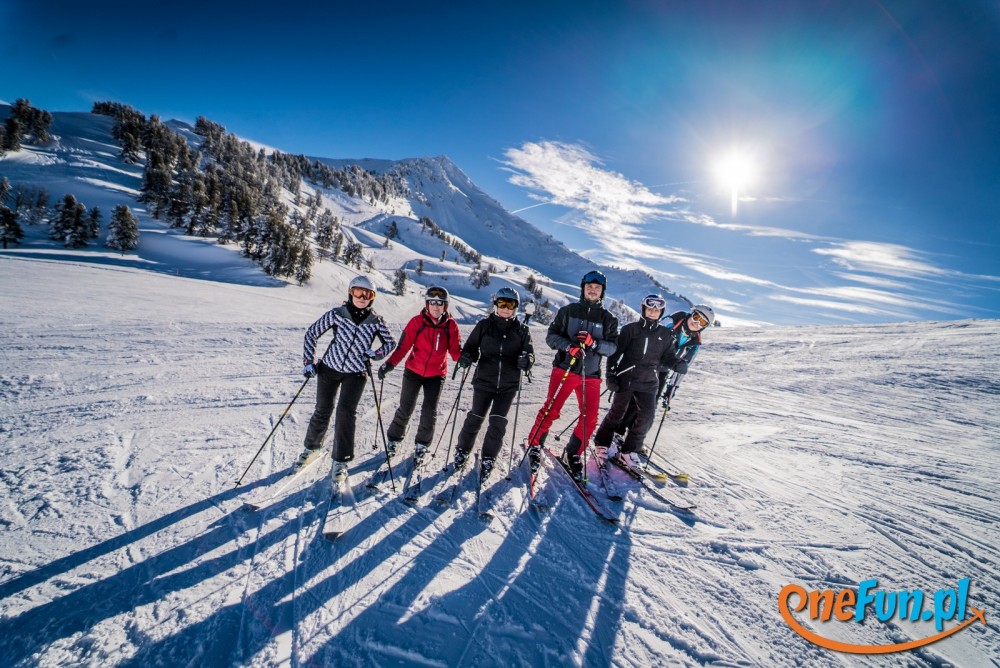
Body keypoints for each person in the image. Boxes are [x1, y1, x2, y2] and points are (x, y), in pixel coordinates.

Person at [296, 275, 396, 478]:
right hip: (329, 369)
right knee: (322, 410)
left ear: (372, 297)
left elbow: (390, 343)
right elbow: (312, 333)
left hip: (355, 373)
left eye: (367, 294)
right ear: (350, 293)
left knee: (346, 415)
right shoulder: (337, 314)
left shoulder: (376, 321)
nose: (361, 297)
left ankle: (341, 462)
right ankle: (311, 449)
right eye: (357, 292)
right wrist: (308, 362)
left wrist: (375, 354)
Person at [525, 269, 618, 480]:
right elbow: (551, 337)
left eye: (597, 288)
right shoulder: (568, 311)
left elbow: (612, 348)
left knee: (590, 418)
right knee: (551, 410)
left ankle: (573, 452)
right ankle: (535, 444)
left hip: (591, 374)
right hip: (565, 369)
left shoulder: (608, 318)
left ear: (602, 291)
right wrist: (569, 347)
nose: (593, 290)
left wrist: (593, 343)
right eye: (589, 287)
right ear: (583, 288)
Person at [593, 294, 690, 466]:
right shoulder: (630, 330)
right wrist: (610, 375)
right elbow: (615, 354)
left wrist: (677, 364)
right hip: (627, 378)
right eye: (650, 308)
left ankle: (628, 451)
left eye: (657, 310)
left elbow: (667, 358)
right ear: (644, 309)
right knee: (617, 413)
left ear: (661, 312)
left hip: (649, 382)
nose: (653, 312)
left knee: (647, 417)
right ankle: (602, 443)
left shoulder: (665, 334)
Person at [609, 303, 715, 456]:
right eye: (696, 317)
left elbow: (684, 368)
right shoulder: (672, 321)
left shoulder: (695, 343)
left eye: (702, 322)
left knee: (650, 407)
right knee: (634, 400)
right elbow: (650, 334)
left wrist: (672, 390)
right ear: (691, 314)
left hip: (664, 370)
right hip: (647, 364)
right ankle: (618, 431)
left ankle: (634, 440)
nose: (696, 323)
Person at [452, 287, 535, 479]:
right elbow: (471, 348)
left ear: (516, 307)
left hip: (508, 385)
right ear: (496, 305)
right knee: (475, 417)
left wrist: (526, 360)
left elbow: (529, 354)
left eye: (510, 305)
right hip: (484, 381)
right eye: (502, 304)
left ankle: (489, 457)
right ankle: (462, 451)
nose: (506, 309)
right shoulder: (484, 325)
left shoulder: (522, 330)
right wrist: (467, 357)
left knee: (498, 422)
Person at [378, 286, 462, 460]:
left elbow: (455, 352)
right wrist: (389, 364)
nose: (436, 307)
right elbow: (403, 347)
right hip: (413, 371)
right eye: (432, 303)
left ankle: (422, 444)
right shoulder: (417, 322)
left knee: (429, 411)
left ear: (445, 306)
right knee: (405, 407)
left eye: (440, 303)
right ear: (427, 304)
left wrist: (465, 357)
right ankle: (394, 439)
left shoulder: (451, 326)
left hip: (436, 374)